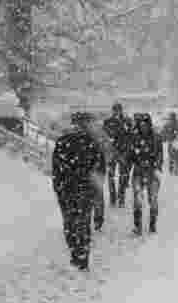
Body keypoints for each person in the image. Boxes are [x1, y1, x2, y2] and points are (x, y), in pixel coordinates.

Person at [52, 112, 107, 272]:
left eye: (82, 124)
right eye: (78, 123)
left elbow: (100, 168)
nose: (80, 127)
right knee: (72, 224)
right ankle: (77, 254)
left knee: (79, 223)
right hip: (69, 190)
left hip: (82, 190)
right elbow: (57, 169)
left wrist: (94, 188)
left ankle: (81, 257)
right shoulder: (64, 142)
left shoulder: (92, 143)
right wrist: (59, 187)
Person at [128, 113, 163, 235]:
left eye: (145, 125)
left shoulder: (156, 138)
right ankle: (138, 226)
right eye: (141, 125)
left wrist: (156, 166)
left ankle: (152, 225)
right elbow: (130, 155)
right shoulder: (134, 138)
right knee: (138, 199)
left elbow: (160, 155)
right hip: (138, 172)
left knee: (153, 199)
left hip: (152, 173)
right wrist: (131, 163)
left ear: (149, 125)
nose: (143, 127)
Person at [102, 103, 132, 207]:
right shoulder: (107, 122)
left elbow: (130, 137)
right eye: (115, 110)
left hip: (123, 152)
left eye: (118, 110)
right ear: (113, 111)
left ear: (121, 110)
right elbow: (104, 137)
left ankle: (121, 197)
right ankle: (113, 197)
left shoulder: (127, 121)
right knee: (111, 176)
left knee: (123, 176)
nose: (116, 112)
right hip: (111, 152)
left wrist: (127, 149)